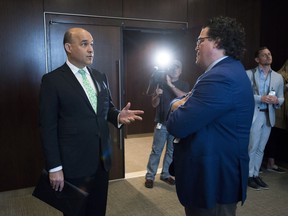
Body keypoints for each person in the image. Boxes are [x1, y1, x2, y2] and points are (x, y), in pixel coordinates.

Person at [39, 27, 144, 216]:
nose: (91, 49)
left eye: (92, 44)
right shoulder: (52, 81)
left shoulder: (99, 76)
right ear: (68, 47)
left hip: (101, 161)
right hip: (73, 164)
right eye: (84, 44)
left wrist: (117, 115)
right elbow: (48, 127)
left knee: (98, 210)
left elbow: (106, 108)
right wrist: (55, 167)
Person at [166, 16, 254, 216]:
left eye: (200, 40)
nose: (196, 46)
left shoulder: (220, 77)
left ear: (217, 41)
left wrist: (175, 105)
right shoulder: (228, 70)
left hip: (212, 179)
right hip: (215, 172)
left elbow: (177, 125)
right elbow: (186, 105)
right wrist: (178, 103)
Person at [144, 59, 189, 189]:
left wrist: (171, 85)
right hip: (161, 123)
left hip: (176, 124)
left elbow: (185, 99)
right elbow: (154, 104)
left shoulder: (184, 84)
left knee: (171, 151)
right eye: (172, 66)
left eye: (177, 67)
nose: (174, 69)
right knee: (156, 150)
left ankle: (165, 174)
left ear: (181, 71)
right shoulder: (160, 83)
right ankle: (150, 176)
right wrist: (156, 96)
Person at [246, 47, 284, 190]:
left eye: (269, 54)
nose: (268, 57)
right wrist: (260, 98)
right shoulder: (249, 74)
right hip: (255, 114)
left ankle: (255, 174)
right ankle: (248, 176)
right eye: (264, 55)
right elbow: (244, 95)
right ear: (257, 59)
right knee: (252, 147)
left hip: (269, 115)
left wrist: (276, 101)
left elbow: (281, 98)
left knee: (261, 148)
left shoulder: (278, 77)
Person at [265, 58, 288, 173]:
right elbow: (272, 91)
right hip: (276, 111)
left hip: (284, 111)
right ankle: (269, 162)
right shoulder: (279, 75)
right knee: (273, 135)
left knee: (278, 136)